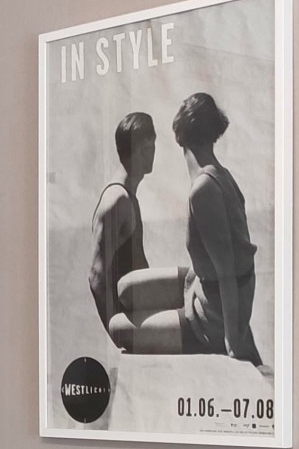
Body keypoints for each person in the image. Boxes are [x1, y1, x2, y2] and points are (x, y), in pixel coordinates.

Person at [108, 92, 261, 363]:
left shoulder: (205, 190)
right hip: (201, 284)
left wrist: (233, 340)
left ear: (181, 132)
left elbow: (227, 272)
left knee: (118, 327)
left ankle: (209, 334)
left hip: (213, 315)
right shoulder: (219, 174)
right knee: (125, 288)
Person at [88, 111, 155, 331]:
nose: (153, 153)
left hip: (140, 316)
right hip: (133, 323)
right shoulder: (118, 200)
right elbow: (96, 276)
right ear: (139, 149)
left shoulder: (126, 196)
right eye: (149, 146)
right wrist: (118, 332)